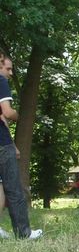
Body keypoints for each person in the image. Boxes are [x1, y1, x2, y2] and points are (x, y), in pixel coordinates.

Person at [0, 54, 42, 239]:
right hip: (1, 145)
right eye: (7, 68)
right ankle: (24, 233)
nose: (10, 73)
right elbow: (7, 113)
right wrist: (21, 116)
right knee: (14, 189)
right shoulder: (0, 81)